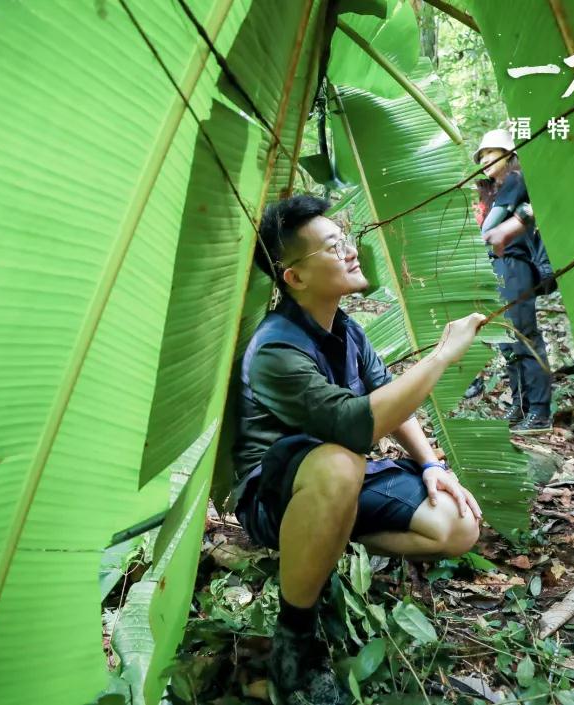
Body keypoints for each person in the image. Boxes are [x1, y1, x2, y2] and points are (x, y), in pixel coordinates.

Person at [231, 194, 486, 705]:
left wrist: (434, 465)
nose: (350, 251)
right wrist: (441, 356)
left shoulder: (345, 329)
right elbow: (355, 425)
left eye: (345, 239)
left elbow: (388, 396)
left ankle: (320, 549)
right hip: (276, 497)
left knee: (456, 525)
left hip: (340, 482)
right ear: (294, 278)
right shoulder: (276, 348)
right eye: (332, 245)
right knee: (340, 460)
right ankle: (295, 641)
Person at [472, 128, 554, 434]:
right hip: (497, 266)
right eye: (482, 156)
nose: (485, 161)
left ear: (509, 154)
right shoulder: (493, 191)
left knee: (525, 338)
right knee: (509, 342)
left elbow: (490, 231)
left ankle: (540, 412)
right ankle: (521, 408)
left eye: (491, 154)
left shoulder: (517, 181)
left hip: (514, 266)